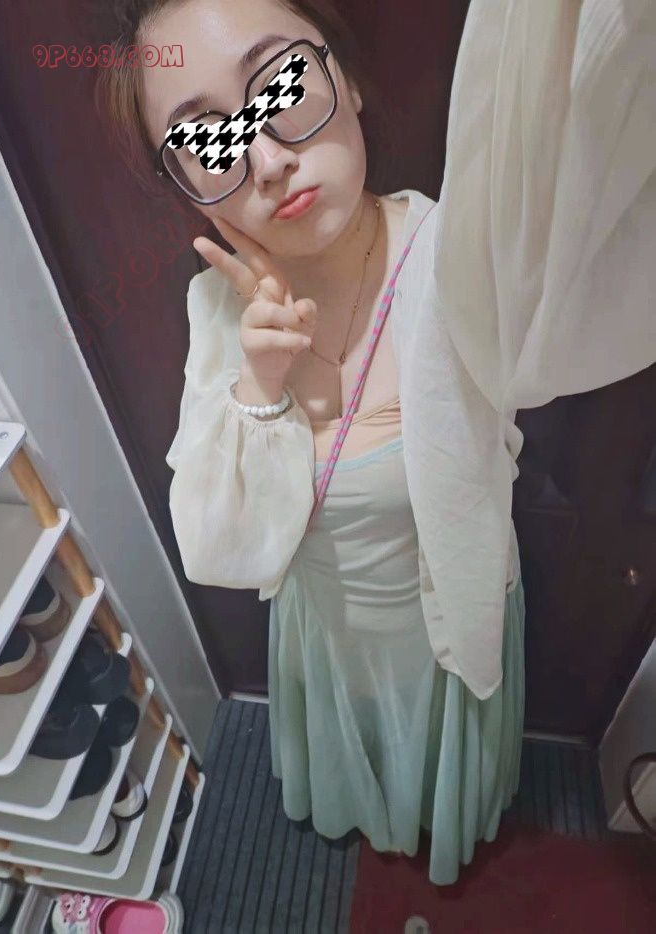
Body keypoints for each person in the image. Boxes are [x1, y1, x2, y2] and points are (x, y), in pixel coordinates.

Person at [95, 0, 655, 888]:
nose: (267, 160)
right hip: (327, 634)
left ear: (346, 78)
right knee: (360, 747)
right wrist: (261, 388)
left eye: (282, 86)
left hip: (449, 616)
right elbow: (217, 552)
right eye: (208, 140)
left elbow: (594, 235)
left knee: (441, 752)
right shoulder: (217, 310)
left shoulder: (459, 257)